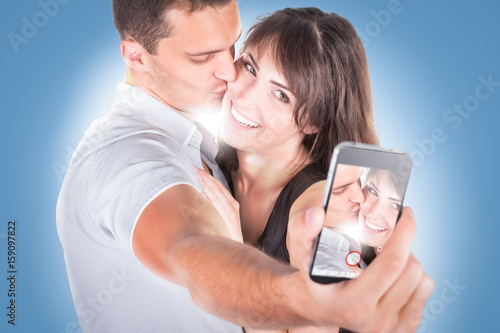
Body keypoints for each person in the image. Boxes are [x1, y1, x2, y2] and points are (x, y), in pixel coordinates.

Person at [57, 1, 433, 332]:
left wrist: (310, 300)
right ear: (137, 57)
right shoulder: (141, 154)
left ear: (313, 121)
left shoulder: (316, 200)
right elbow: (186, 249)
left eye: (232, 48)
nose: (230, 75)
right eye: (206, 57)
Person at [197, 7, 432, 333]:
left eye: (281, 95)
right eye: (250, 67)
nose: (245, 98)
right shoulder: (215, 155)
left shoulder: (316, 206)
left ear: (312, 122)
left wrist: (235, 255)